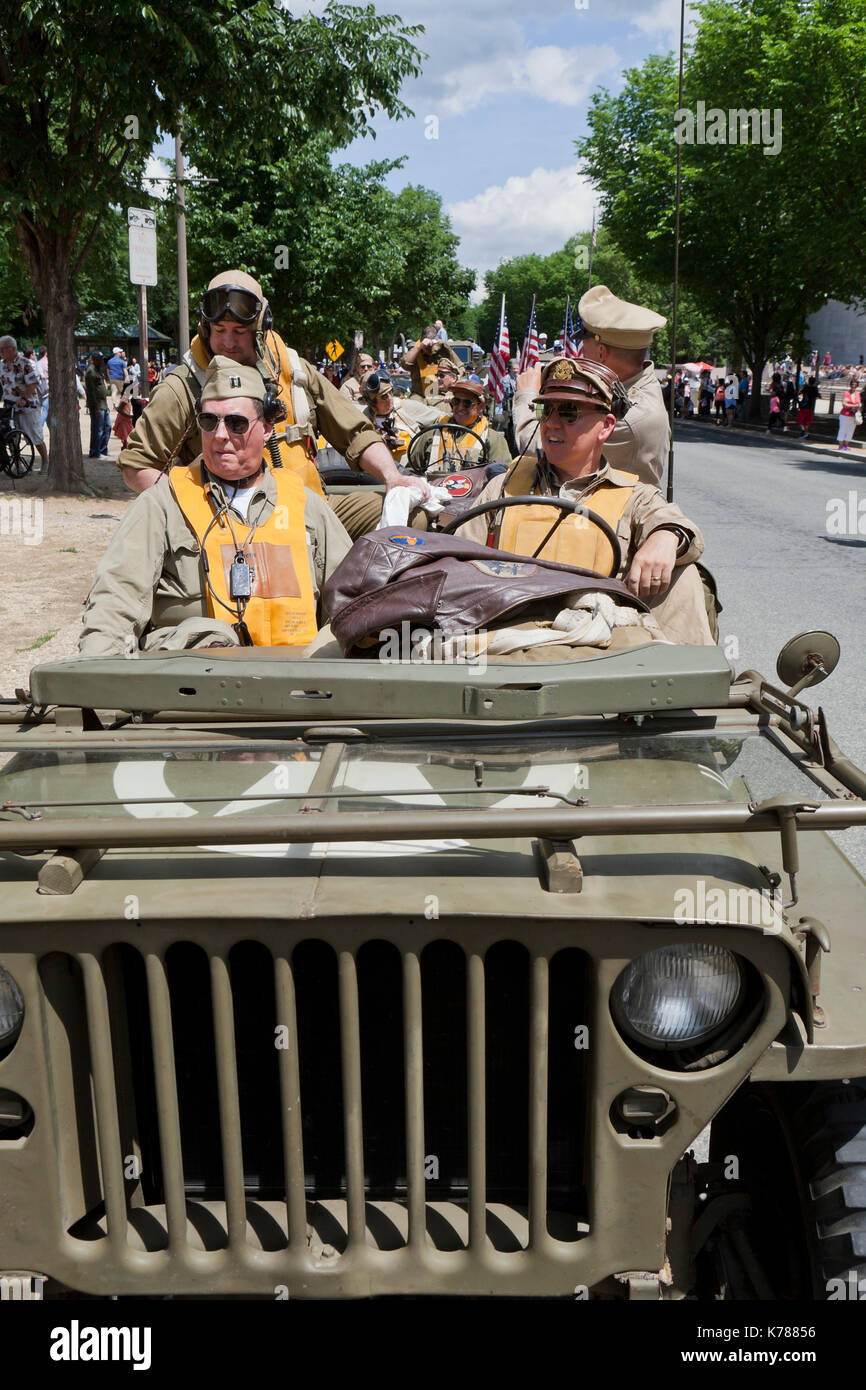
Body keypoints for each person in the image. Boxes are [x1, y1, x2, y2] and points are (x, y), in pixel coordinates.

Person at [80, 358, 352, 656]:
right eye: (209, 422)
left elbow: (352, 602)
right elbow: (115, 599)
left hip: (295, 684)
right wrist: (95, 679)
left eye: (237, 423)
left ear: (267, 429)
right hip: (193, 686)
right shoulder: (163, 503)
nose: (221, 435)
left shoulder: (306, 506)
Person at [117, 271, 417, 523]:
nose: (227, 342)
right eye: (218, 329)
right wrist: (188, 509)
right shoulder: (183, 385)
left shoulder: (293, 370)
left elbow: (355, 432)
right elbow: (137, 464)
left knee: (412, 515)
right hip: (232, 523)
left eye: (239, 330)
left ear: (261, 328)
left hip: (311, 508)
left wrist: (393, 477)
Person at [458, 358, 713, 646]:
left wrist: (667, 536)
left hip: (595, 652)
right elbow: (457, 558)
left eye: (569, 412)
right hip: (504, 643)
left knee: (686, 574)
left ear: (605, 426)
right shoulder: (503, 487)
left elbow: (678, 526)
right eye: (545, 409)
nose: (551, 423)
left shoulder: (632, 495)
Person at [511, 285, 669, 486]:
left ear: (602, 353)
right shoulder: (635, 387)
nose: (579, 353)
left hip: (612, 514)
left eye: (583, 344)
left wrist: (527, 394)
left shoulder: (628, 419)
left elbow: (538, 446)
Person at [407, 378, 512, 475]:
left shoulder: (493, 439)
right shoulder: (431, 434)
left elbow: (501, 475)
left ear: (481, 407)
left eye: (467, 403)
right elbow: (411, 472)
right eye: (456, 402)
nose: (460, 407)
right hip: (434, 492)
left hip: (474, 494)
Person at [357, 368, 439, 460]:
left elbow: (442, 418)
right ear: (371, 401)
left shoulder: (405, 407)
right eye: (384, 396)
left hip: (412, 469)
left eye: (391, 392)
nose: (390, 398)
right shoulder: (363, 420)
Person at [0, 334, 50, 471]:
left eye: (3, 349)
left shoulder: (25, 363)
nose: (1, 352)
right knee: (11, 437)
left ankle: (45, 462)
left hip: (27, 405)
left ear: (13, 348)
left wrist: (24, 399)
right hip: (9, 406)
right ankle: (17, 464)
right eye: (0, 349)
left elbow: (33, 384)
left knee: (35, 435)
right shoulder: (1, 365)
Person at [401, 325, 462, 402]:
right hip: (418, 394)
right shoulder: (416, 350)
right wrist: (420, 347)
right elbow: (404, 364)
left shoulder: (443, 348)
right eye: (426, 348)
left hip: (439, 394)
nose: (429, 350)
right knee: (412, 407)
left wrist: (451, 390)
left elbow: (460, 368)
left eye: (431, 347)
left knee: (443, 409)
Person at [84, 352, 111, 459]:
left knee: (107, 427)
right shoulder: (91, 371)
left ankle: (103, 449)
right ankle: (95, 452)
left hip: (104, 404)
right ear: (95, 360)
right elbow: (91, 392)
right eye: (100, 359)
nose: (102, 361)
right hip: (97, 406)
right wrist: (95, 408)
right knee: (97, 430)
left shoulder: (99, 369)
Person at [836, 377, 861, 452]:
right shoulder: (846, 393)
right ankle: (840, 445)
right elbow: (844, 405)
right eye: (852, 384)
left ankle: (846, 445)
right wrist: (855, 406)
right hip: (845, 414)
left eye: (855, 385)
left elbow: (858, 404)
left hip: (854, 415)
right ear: (850, 385)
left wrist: (858, 409)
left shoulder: (858, 394)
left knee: (851, 430)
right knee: (843, 429)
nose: (854, 386)